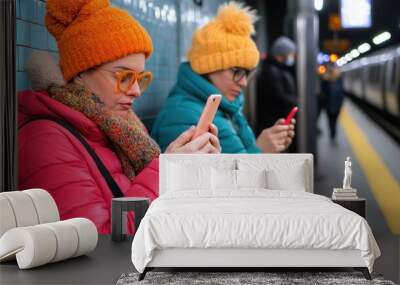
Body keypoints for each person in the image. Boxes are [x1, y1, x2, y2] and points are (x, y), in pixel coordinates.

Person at [18, 0, 220, 234]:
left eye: (140, 78)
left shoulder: (126, 125)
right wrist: (167, 172)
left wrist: (188, 170)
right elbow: (97, 241)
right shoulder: (45, 140)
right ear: (81, 72)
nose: (135, 91)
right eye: (123, 76)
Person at [151, 2, 295, 154]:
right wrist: (260, 150)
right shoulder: (184, 116)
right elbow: (227, 176)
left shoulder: (225, 107)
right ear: (209, 66)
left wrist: (267, 145)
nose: (244, 82)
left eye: (247, 73)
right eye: (237, 71)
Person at [255, 36, 298, 146]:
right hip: (272, 120)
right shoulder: (272, 72)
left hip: (275, 119)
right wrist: (297, 102)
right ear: (282, 54)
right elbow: (278, 97)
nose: (292, 57)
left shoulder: (276, 69)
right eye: (291, 54)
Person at [320, 64, 344, 141]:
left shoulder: (339, 79)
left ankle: (333, 134)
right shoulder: (325, 80)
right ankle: (332, 134)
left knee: (334, 121)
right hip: (328, 105)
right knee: (330, 121)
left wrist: (341, 103)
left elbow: (341, 93)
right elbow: (323, 93)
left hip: (337, 105)